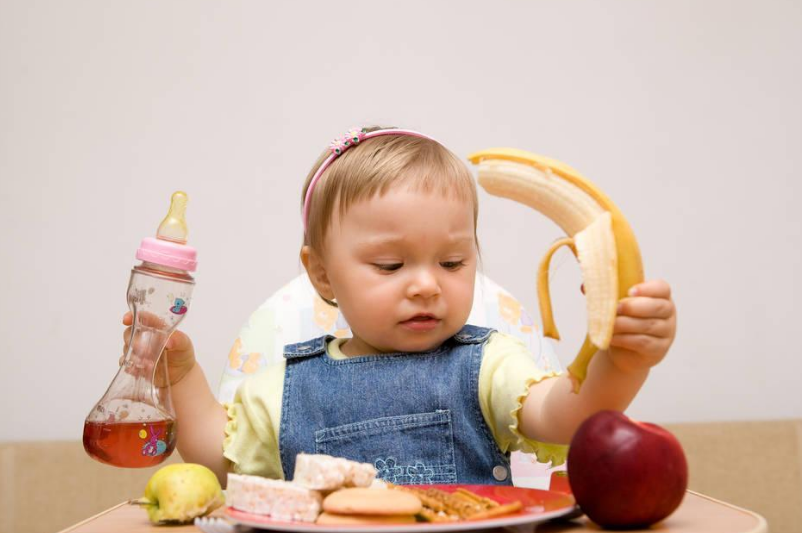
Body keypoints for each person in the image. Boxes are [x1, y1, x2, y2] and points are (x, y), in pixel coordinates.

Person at [122, 126, 677, 487]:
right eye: (391, 267)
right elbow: (215, 462)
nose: (426, 285)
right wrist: (180, 372)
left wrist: (624, 360)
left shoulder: (488, 366)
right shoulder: (285, 389)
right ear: (322, 273)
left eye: (453, 263)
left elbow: (569, 418)